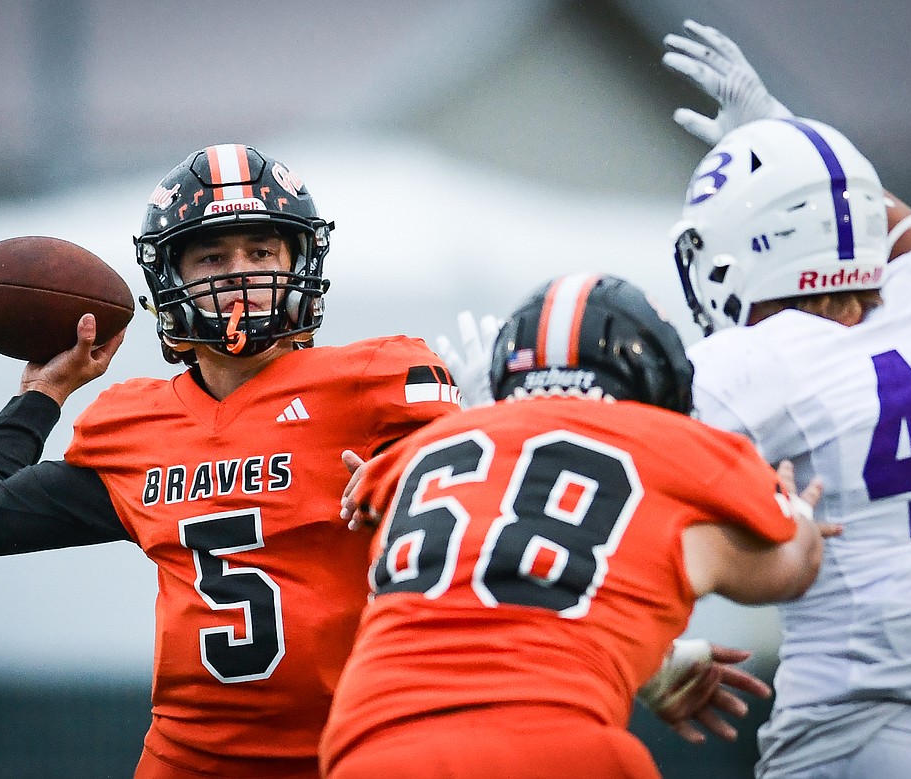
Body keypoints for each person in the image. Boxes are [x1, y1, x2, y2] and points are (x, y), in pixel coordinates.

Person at [0, 143, 465, 779]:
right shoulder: (135, 427)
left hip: (352, 752)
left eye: (262, 252)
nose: (240, 274)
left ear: (301, 262)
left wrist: (417, 495)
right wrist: (42, 396)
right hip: (189, 761)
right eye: (212, 256)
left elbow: (492, 528)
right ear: (170, 280)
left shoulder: (375, 384)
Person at [662, 20, 911, 779]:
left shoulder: (751, 364)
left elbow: (597, 495)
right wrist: (795, 140)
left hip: (860, 726)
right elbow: (896, 226)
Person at [319, 273, 827, 779]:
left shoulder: (416, 455)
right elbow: (786, 570)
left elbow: (480, 580)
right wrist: (798, 514)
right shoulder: (676, 445)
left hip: (369, 743)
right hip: (556, 742)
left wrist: (651, 659)